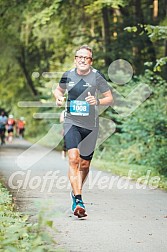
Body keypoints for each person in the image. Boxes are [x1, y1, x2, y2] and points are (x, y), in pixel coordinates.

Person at [53, 45, 113, 218]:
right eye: (79, 56)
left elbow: (109, 98)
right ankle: (78, 199)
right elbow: (58, 90)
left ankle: (75, 190)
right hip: (72, 122)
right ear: (75, 59)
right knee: (73, 159)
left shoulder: (97, 76)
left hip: (90, 125)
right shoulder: (68, 75)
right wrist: (58, 97)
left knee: (85, 164)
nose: (82, 60)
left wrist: (97, 101)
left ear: (90, 61)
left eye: (86, 57)